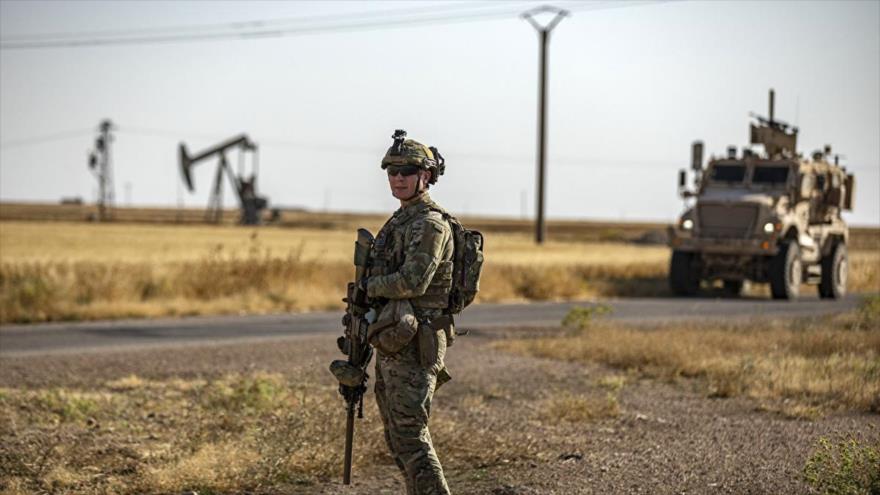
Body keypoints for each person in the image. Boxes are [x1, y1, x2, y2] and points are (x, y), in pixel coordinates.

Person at [364, 130, 455, 495]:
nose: (398, 177)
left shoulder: (430, 224)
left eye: (408, 170)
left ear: (427, 175)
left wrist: (369, 287)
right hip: (394, 337)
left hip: (417, 342)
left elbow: (413, 281)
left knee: (411, 437)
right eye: (392, 171)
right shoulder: (401, 220)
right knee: (397, 437)